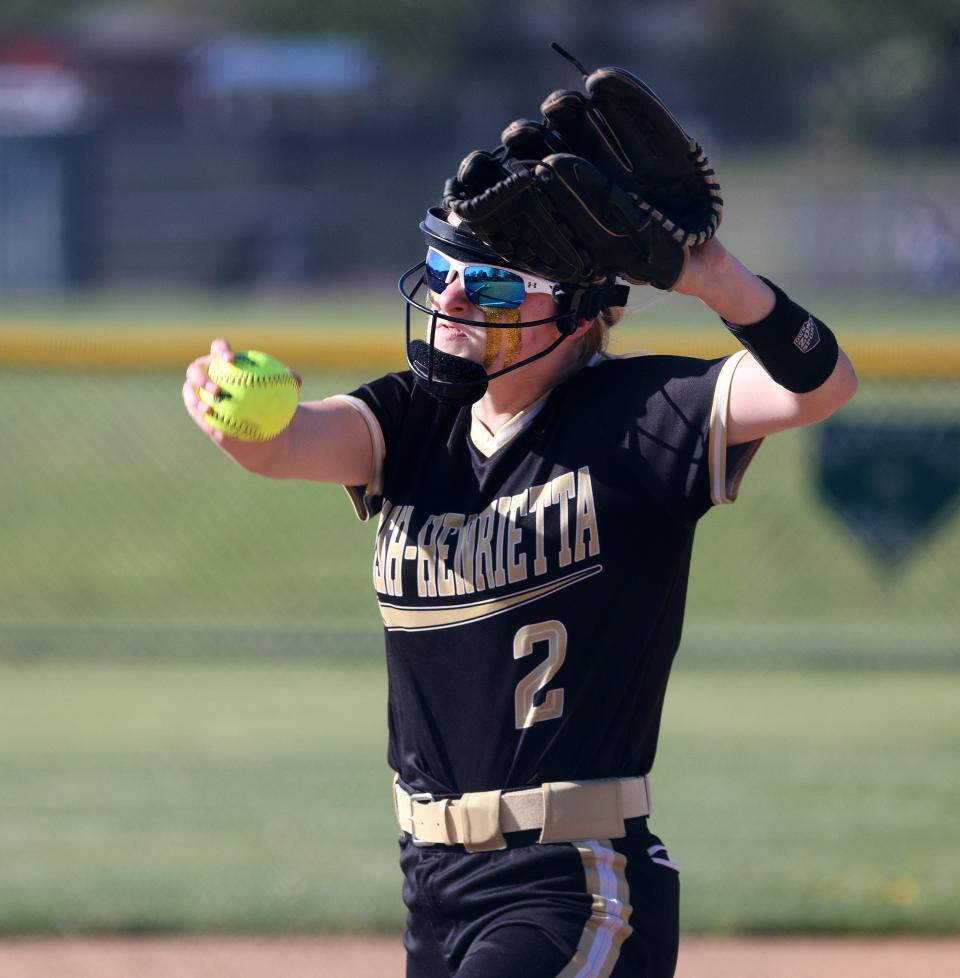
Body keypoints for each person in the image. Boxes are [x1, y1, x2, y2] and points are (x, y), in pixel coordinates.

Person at [183, 203, 857, 975]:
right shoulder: (413, 421)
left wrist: (712, 278)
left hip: (572, 882)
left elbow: (820, 384)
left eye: (496, 286)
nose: (453, 300)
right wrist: (233, 422)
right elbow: (286, 444)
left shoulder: (642, 415)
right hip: (432, 885)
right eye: (443, 273)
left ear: (574, 312)